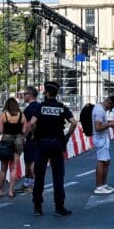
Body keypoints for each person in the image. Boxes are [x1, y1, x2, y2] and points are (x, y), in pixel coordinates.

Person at [27, 81, 74, 217]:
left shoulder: (41, 107)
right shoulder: (61, 107)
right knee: (58, 177)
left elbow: (32, 123)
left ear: (46, 93)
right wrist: (67, 137)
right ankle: (59, 207)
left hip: (42, 144)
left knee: (39, 176)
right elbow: (74, 123)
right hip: (57, 144)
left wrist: (36, 135)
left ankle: (37, 207)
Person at [0, 97, 26, 198]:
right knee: (13, 168)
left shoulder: (3, 115)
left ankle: (0, 190)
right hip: (18, 142)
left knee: (3, 168)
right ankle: (10, 191)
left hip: (6, 141)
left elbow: (0, 131)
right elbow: (24, 130)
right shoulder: (22, 115)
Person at [92, 94, 114, 195]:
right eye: (110, 107)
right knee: (101, 161)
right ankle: (99, 186)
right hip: (100, 138)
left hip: (103, 138)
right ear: (109, 102)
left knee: (106, 161)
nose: (109, 109)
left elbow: (100, 124)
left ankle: (103, 184)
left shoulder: (100, 109)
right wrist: (109, 124)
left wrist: (108, 122)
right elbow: (98, 127)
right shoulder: (99, 110)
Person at [20, 86, 40, 192]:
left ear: (30, 95)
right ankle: (27, 182)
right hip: (36, 138)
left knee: (31, 162)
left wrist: (23, 137)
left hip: (30, 138)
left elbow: (28, 124)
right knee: (28, 160)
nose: (24, 96)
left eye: (25, 93)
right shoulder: (39, 106)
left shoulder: (30, 108)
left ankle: (34, 185)